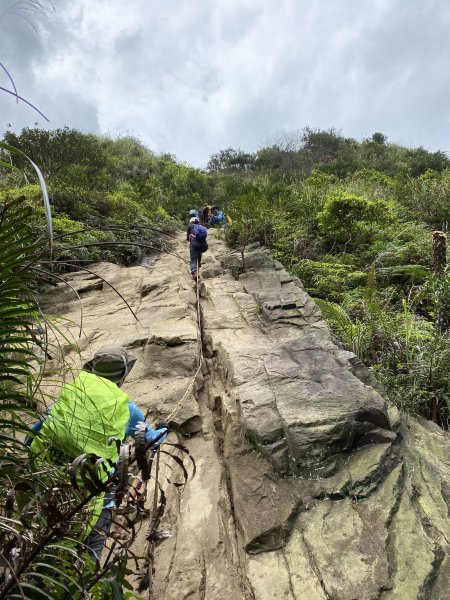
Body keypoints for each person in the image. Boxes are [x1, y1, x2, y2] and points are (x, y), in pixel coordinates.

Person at [27, 345, 169, 563]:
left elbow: (32, 436)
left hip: (50, 484)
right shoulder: (125, 408)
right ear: (122, 376)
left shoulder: (72, 393)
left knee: (43, 546)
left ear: (93, 370)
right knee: (89, 553)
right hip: (93, 496)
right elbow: (151, 439)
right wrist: (163, 428)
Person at [186, 216, 208, 282]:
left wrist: (191, 240)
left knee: (193, 260)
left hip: (195, 245)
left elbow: (188, 238)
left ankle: (195, 273)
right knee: (198, 253)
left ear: (191, 222)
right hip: (204, 246)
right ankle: (198, 266)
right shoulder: (202, 227)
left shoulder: (190, 226)